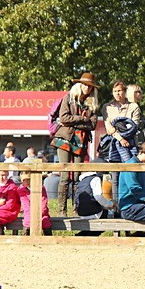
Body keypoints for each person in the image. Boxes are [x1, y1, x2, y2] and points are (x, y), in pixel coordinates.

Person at [50, 72, 100, 214]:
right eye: (85, 85)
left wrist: (75, 122)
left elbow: (92, 125)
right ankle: (61, 210)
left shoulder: (92, 103)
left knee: (78, 177)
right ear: (79, 84)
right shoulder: (68, 98)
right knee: (65, 175)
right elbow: (63, 118)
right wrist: (82, 119)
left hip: (81, 141)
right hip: (64, 139)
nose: (87, 88)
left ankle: (76, 208)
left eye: (90, 86)